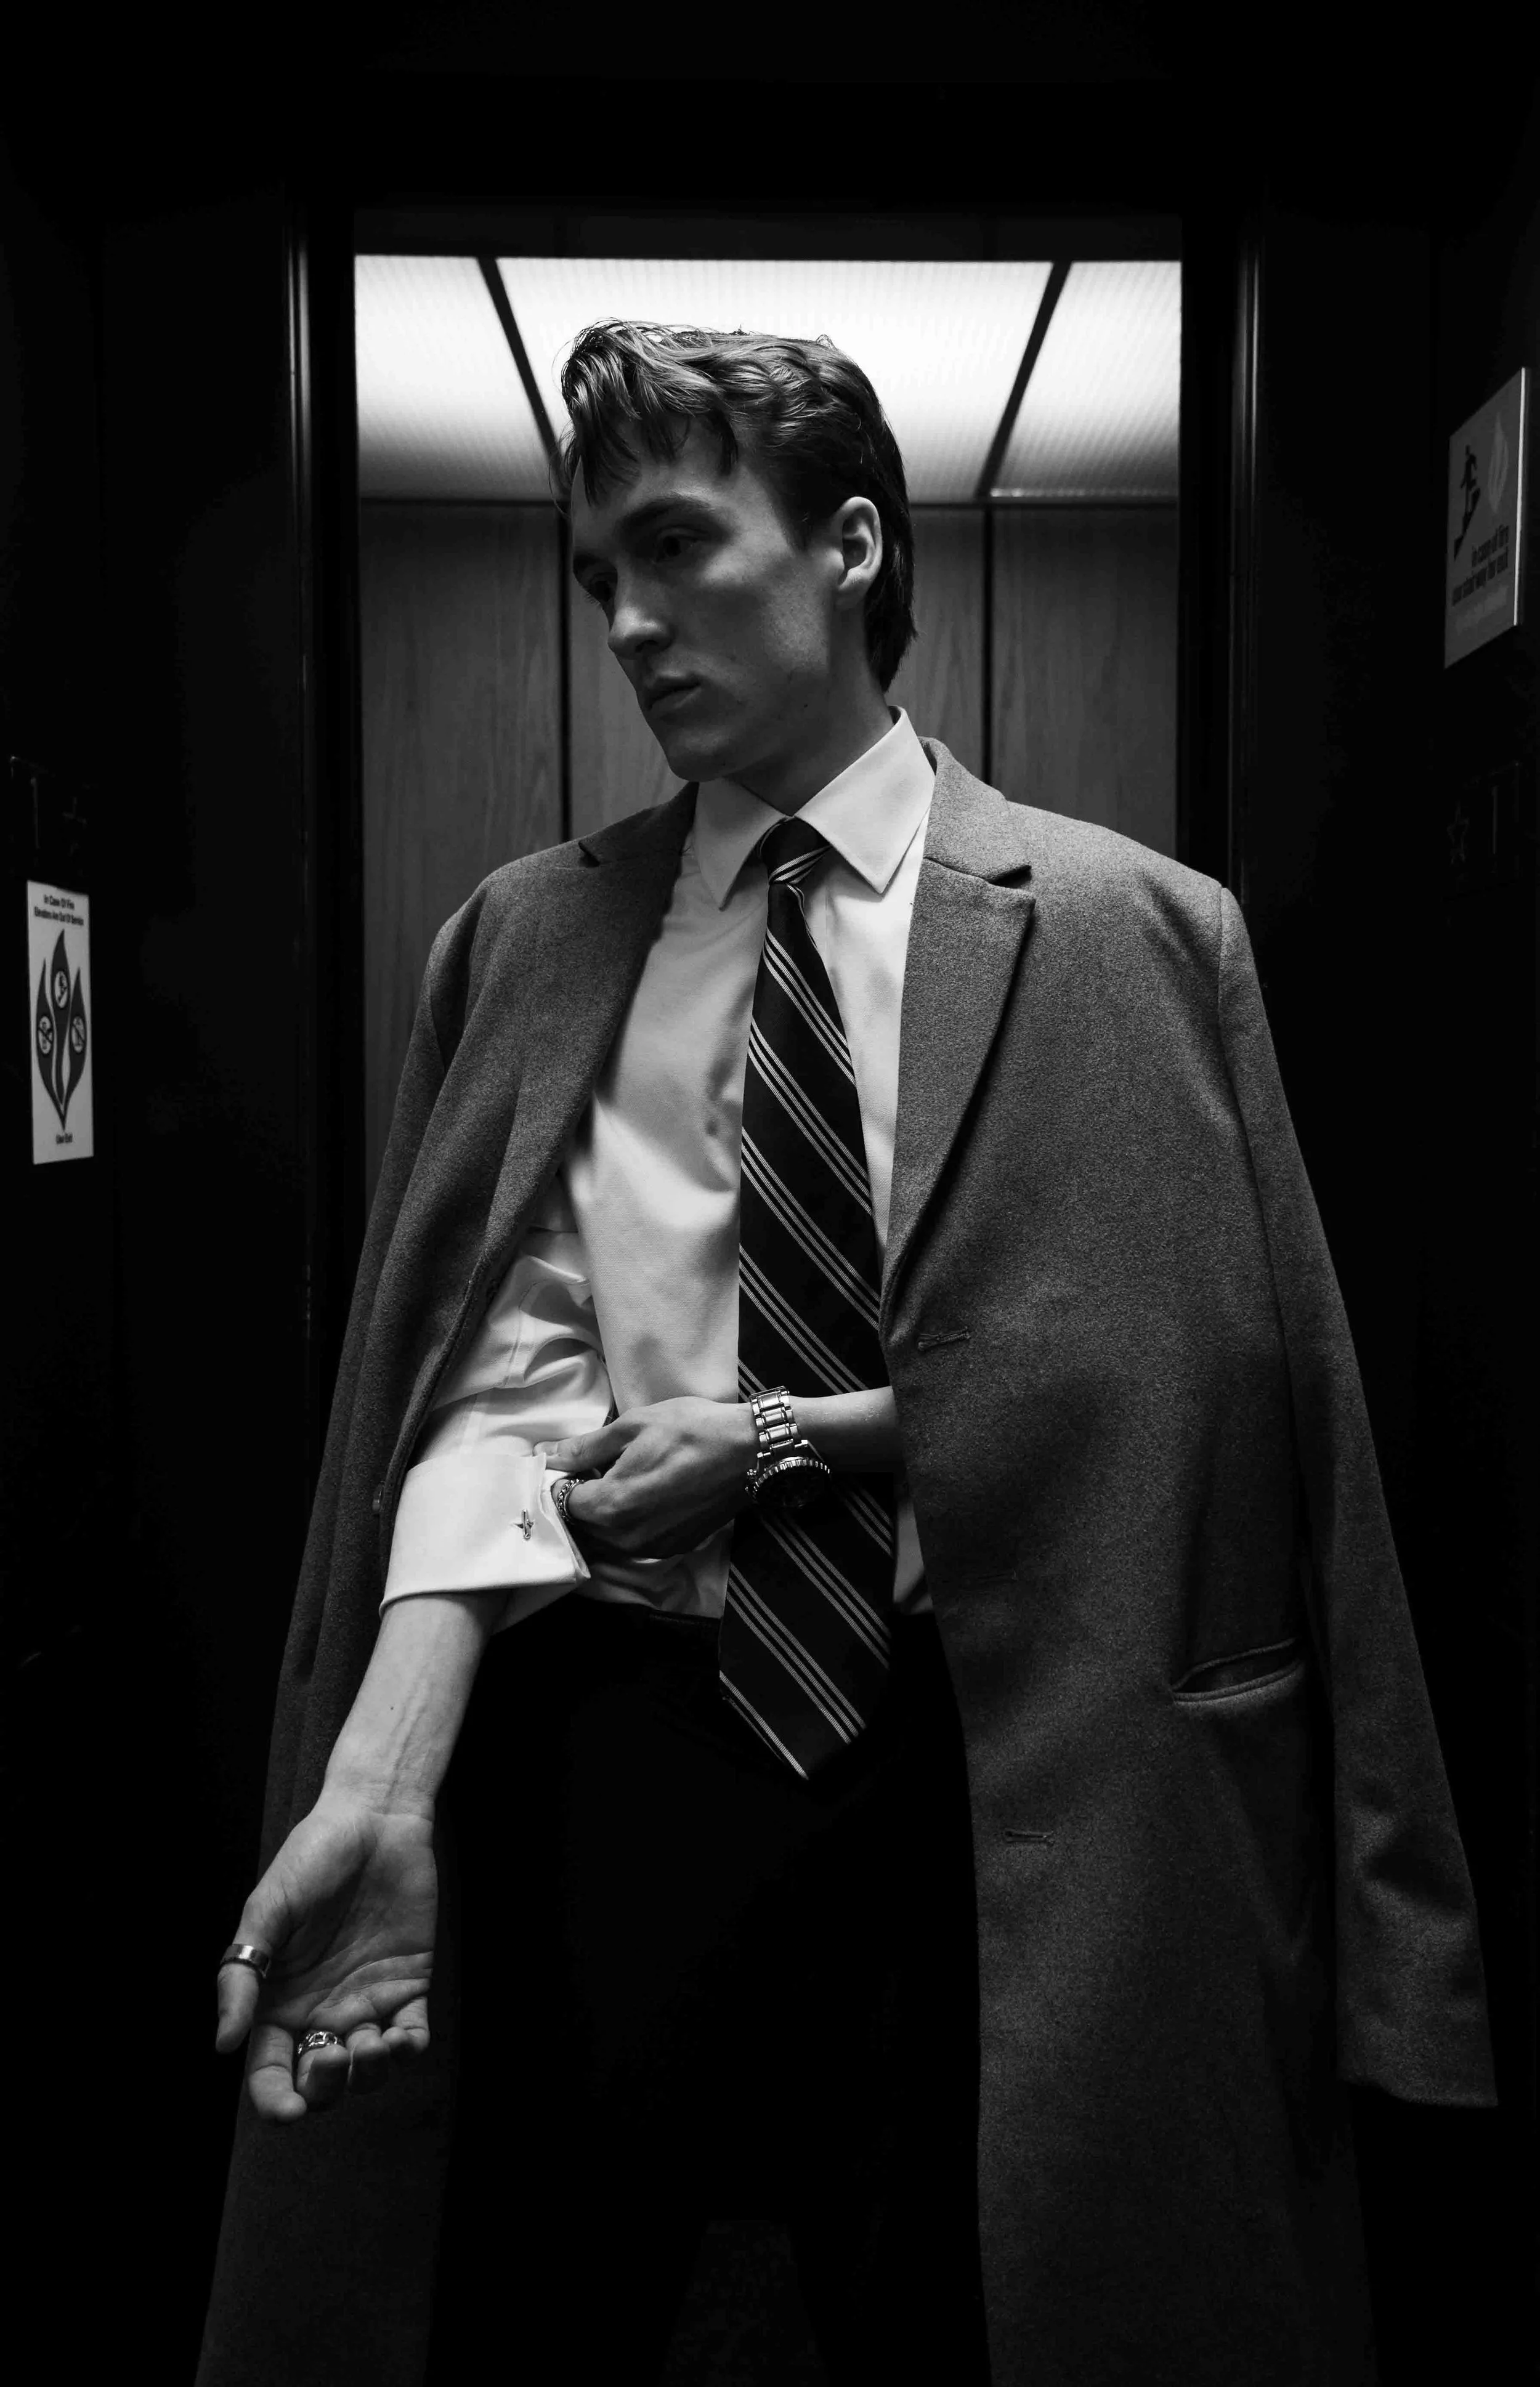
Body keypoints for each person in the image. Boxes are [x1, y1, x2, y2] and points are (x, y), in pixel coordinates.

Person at [198, 322, 1494, 2387]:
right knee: (532, 2311)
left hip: (992, 1773)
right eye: (594, 576)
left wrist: (792, 1441)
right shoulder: (526, 941)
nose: (628, 620)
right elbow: (484, 1396)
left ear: (853, 544)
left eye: (675, 546)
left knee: (984, 2320)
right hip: (607, 1752)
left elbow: (1233, 1421)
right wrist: (383, 1777)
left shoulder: (1134, 932)